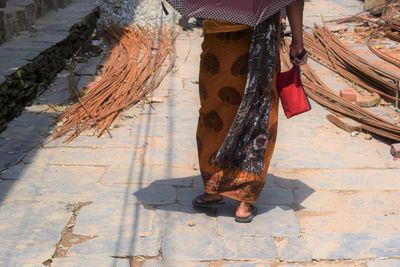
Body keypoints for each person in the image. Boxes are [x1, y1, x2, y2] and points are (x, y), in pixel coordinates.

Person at [192, 0, 307, 223]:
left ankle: (213, 187)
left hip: (219, 35)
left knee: (215, 112)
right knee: (258, 112)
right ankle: (243, 200)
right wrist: (298, 42)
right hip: (261, 38)